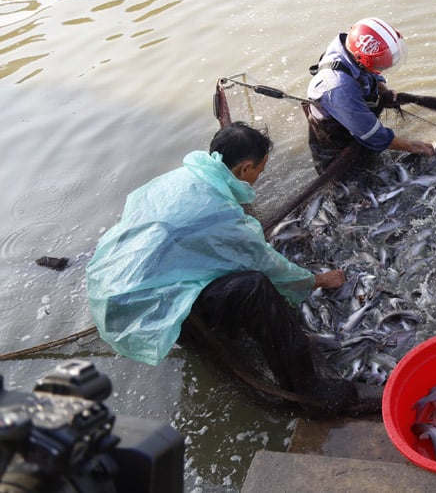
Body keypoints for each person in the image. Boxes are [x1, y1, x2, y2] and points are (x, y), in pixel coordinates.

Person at [86, 122, 355, 410]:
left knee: (233, 269)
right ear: (244, 168)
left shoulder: (179, 179)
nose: (258, 179)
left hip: (109, 286)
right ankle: (306, 388)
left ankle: (207, 330)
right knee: (256, 287)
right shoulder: (220, 213)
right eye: (260, 172)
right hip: (144, 309)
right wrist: (316, 280)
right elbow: (268, 265)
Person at [305, 17, 434, 173]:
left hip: (350, 111)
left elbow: (371, 72)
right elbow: (370, 133)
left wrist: (384, 90)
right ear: (362, 60)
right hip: (334, 138)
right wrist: (411, 146)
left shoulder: (349, 43)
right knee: (350, 182)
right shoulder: (339, 87)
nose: (381, 69)